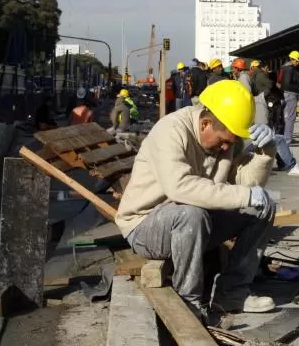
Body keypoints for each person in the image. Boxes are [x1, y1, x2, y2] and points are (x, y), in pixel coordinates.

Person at [115, 80, 279, 319]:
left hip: (195, 223)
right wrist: (244, 195)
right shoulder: (171, 131)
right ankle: (188, 302)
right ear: (205, 124)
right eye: (223, 141)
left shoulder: (224, 139)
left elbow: (246, 185)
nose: (226, 147)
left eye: (230, 143)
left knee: (262, 207)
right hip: (146, 226)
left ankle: (232, 292)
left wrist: (266, 153)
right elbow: (179, 188)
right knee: (191, 213)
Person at [278, 51, 299, 144]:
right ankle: (288, 138)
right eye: (296, 60)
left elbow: (279, 81)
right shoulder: (290, 69)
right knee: (291, 117)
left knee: (284, 116)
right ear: (292, 59)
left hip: (284, 93)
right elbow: (288, 84)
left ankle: (284, 136)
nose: (298, 62)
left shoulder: (283, 68)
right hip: (291, 94)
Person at [249, 60, 272, 125]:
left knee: (262, 118)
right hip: (258, 98)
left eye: (252, 68)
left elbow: (270, 84)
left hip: (261, 99)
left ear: (253, 67)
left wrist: (263, 95)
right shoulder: (255, 75)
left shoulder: (260, 75)